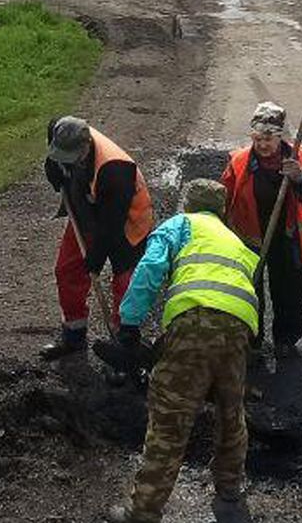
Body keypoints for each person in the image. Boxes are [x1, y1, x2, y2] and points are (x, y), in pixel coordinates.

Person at [102, 180, 258, 523]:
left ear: (187, 204)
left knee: (171, 419)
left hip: (195, 321)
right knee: (231, 414)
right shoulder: (236, 241)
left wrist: (129, 323)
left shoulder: (180, 224)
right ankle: (230, 495)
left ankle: (142, 512)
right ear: (221, 210)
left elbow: (150, 269)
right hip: (238, 329)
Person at [40, 116, 154, 360]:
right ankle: (74, 335)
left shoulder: (116, 170)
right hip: (86, 208)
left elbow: (111, 226)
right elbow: (54, 162)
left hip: (127, 221)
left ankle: (123, 346)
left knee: (125, 285)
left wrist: (95, 259)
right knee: (68, 270)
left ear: (86, 147)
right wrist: (53, 171)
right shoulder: (60, 130)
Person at [221, 101, 302, 358]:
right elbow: (223, 197)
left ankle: (286, 340)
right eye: (257, 138)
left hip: (287, 238)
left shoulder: (299, 158)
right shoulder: (238, 162)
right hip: (248, 241)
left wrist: (301, 178)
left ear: (280, 137)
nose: (263, 144)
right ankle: (252, 342)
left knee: (290, 293)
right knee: (248, 293)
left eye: (268, 138)